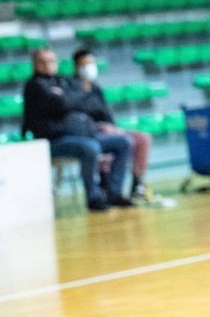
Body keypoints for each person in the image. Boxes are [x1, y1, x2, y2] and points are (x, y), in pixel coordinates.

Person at [22, 47, 133, 212]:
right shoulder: (35, 86)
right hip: (53, 140)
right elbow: (64, 103)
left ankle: (113, 193)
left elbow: (80, 102)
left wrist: (68, 97)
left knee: (123, 142)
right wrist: (70, 98)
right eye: (42, 62)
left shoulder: (62, 81)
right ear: (34, 65)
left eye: (51, 61)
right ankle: (93, 197)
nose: (47, 65)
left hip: (79, 135)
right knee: (90, 147)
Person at [69, 48, 152, 202]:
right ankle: (107, 185)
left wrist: (113, 127)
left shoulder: (96, 88)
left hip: (107, 127)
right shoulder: (71, 87)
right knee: (112, 138)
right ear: (76, 66)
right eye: (85, 64)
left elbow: (107, 114)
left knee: (142, 138)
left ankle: (137, 183)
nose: (89, 67)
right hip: (90, 130)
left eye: (91, 63)